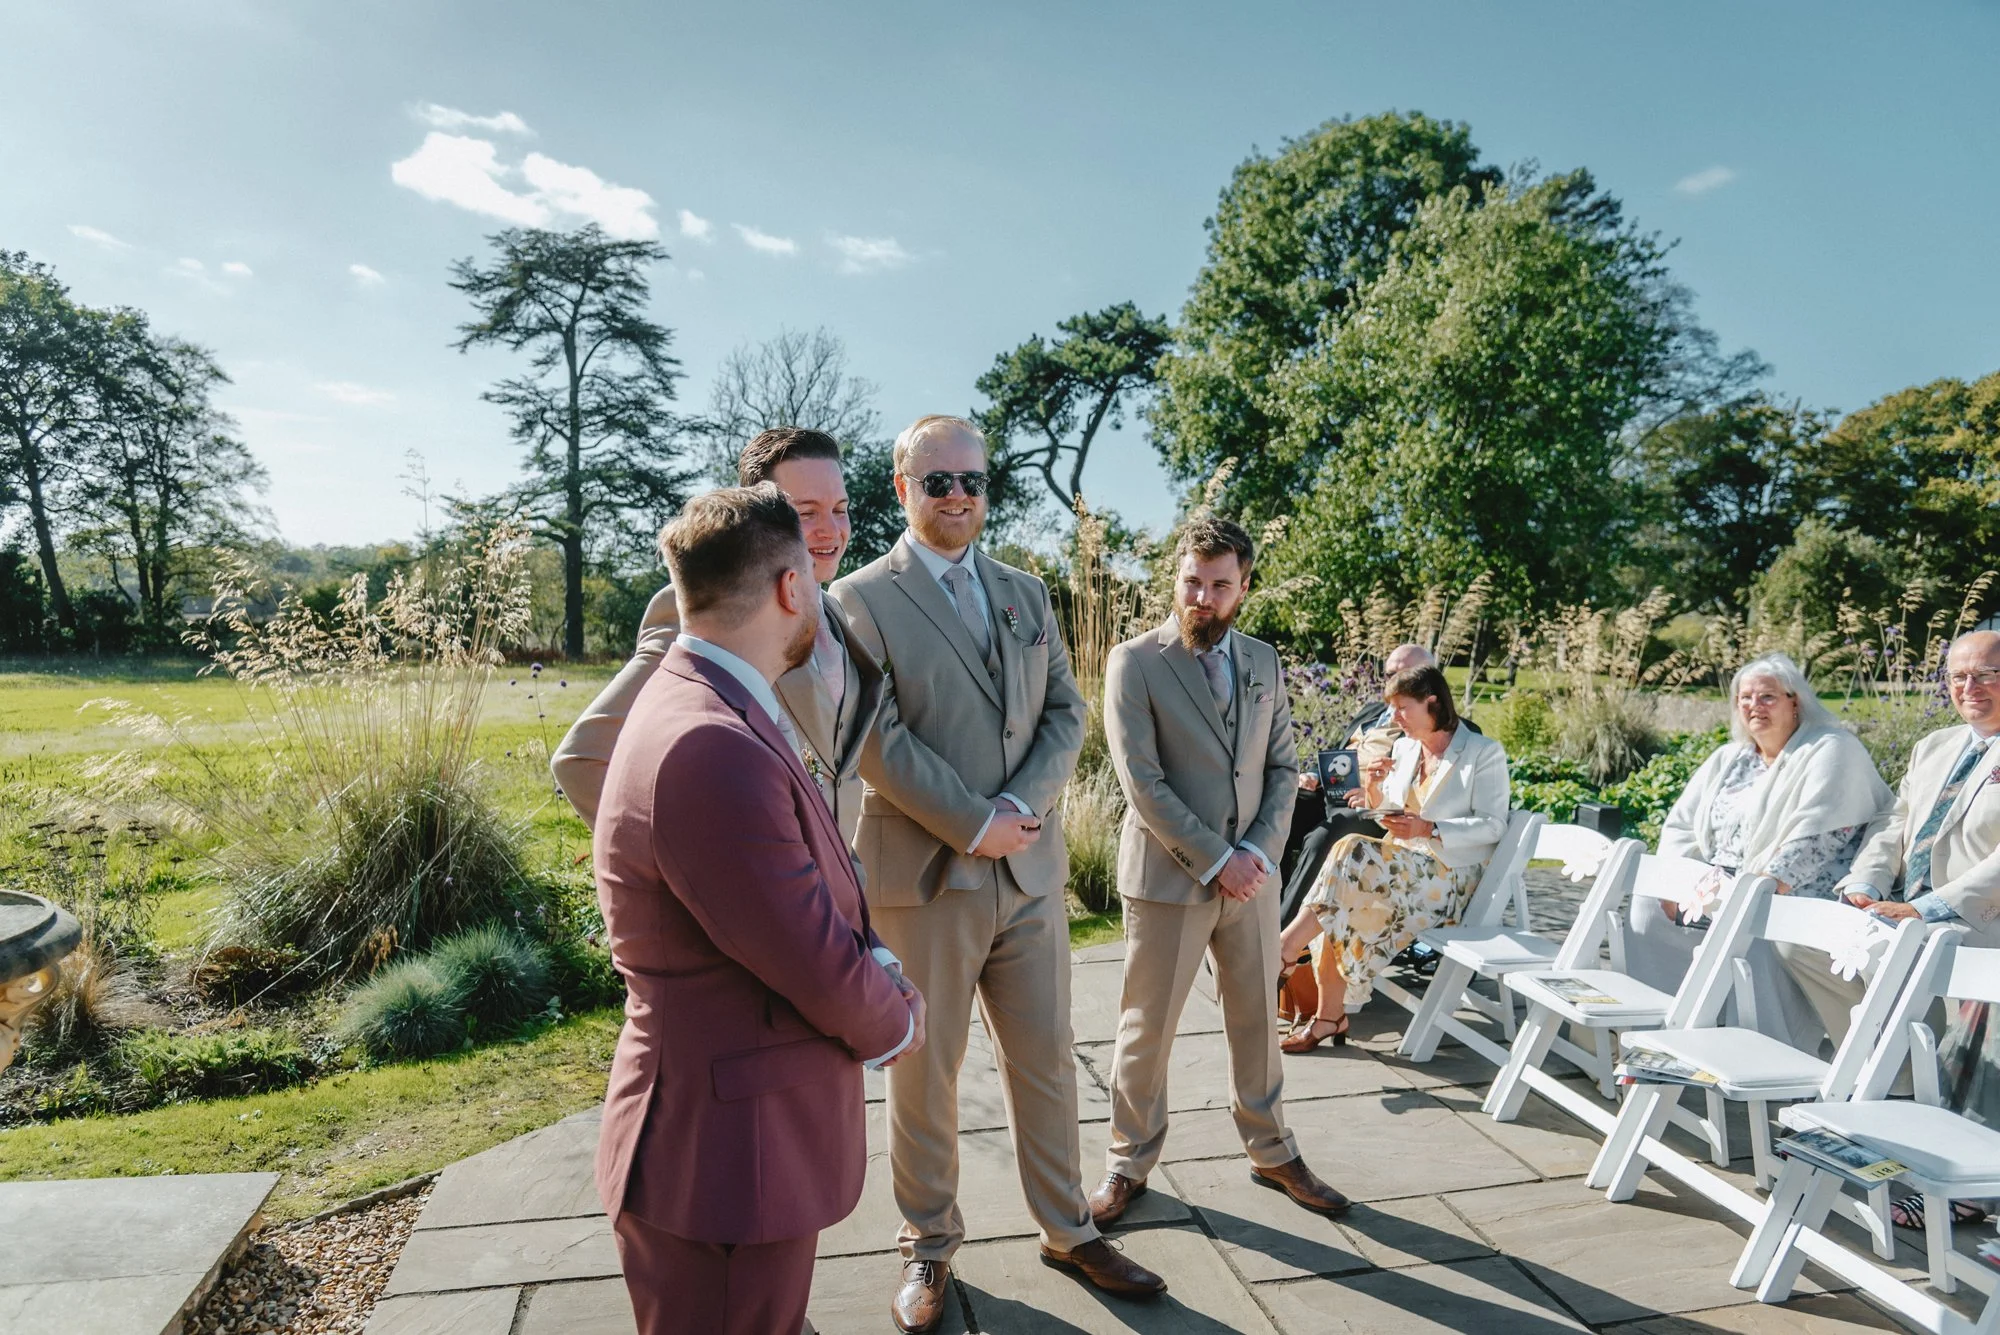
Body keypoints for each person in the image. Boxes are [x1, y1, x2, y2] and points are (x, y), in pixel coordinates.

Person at [830, 416, 1165, 1330]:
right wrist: (973, 821)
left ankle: (1068, 1228)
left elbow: (1067, 709)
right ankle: (928, 1245)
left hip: (1028, 872)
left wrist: (1021, 808)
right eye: (937, 481)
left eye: (973, 479)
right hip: (928, 875)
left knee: (1049, 1058)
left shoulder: (1025, 591)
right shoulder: (858, 599)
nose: (959, 496)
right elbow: (874, 738)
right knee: (925, 1070)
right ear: (902, 488)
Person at [590, 485, 925, 1335]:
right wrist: (894, 1015)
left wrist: (877, 958)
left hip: (728, 1141)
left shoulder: (705, 694)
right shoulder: (708, 739)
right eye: (811, 576)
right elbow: (803, 948)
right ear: (787, 589)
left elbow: (795, 883)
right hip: (725, 1157)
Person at [1089, 515, 1350, 1230]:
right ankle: (1127, 1162)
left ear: (1244, 587)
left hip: (1253, 879)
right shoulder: (1134, 660)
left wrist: (1259, 854)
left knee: (1256, 1023)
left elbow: (1283, 767)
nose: (1201, 597)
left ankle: (1272, 1150)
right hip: (1172, 877)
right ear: (1176, 578)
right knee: (1147, 1029)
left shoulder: (1265, 662)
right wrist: (1217, 858)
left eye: (1218, 585)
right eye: (1191, 582)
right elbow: (1141, 781)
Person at [552, 427, 879, 838]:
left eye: (840, 508)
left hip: (838, 892)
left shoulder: (831, 611)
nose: (831, 530)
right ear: (759, 517)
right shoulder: (701, 608)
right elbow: (583, 759)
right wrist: (689, 870)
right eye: (807, 513)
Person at [1789, 630, 2000, 1232]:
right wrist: (1866, 883)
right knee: (1805, 946)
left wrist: (1930, 908)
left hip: (1981, 924)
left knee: (1984, 1020)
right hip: (1906, 916)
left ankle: (1973, 1187)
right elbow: (1896, 823)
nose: (1969, 688)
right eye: (1959, 677)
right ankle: (1898, 1088)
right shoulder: (1935, 744)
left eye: (1985, 674)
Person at [1628, 653, 1892, 1049]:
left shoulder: (1832, 748)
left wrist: (1759, 887)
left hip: (1791, 889)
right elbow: (1681, 825)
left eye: (1767, 697)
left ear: (1795, 701)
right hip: (1718, 888)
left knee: (1755, 924)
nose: (1754, 706)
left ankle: (1760, 1048)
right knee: (1647, 908)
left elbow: (1820, 835)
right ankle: (1660, 1031)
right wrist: (1676, 880)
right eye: (1745, 698)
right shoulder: (1728, 759)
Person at [1274, 664, 1510, 1050]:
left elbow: (1493, 825)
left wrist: (1430, 829)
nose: (1395, 717)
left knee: (1349, 849)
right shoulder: (1404, 747)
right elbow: (1387, 813)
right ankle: (1328, 1018)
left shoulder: (1482, 753)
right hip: (1402, 868)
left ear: (1431, 702)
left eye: (1403, 708)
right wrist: (1373, 788)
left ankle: (1284, 949)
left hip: (1451, 876)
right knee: (1340, 901)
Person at [1277, 643, 1440, 925]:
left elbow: (1426, 785)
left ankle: (1282, 934)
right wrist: (1315, 774)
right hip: (1329, 793)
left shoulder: (1439, 726)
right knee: (1277, 813)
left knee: (1324, 836)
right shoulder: (1372, 710)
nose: (1395, 682)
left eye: (1407, 675)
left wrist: (1376, 797)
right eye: (1390, 674)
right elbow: (1337, 750)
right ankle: (1257, 912)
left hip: (1374, 809)